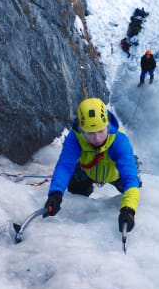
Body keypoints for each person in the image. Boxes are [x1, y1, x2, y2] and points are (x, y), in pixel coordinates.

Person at [44, 98, 141, 235]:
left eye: (101, 131)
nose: (97, 139)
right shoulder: (75, 138)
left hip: (116, 174)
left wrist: (128, 210)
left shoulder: (119, 141)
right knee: (76, 193)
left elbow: (130, 179)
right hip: (87, 171)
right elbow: (65, 166)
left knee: (135, 190)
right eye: (90, 133)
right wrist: (55, 193)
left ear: (107, 125)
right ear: (82, 131)